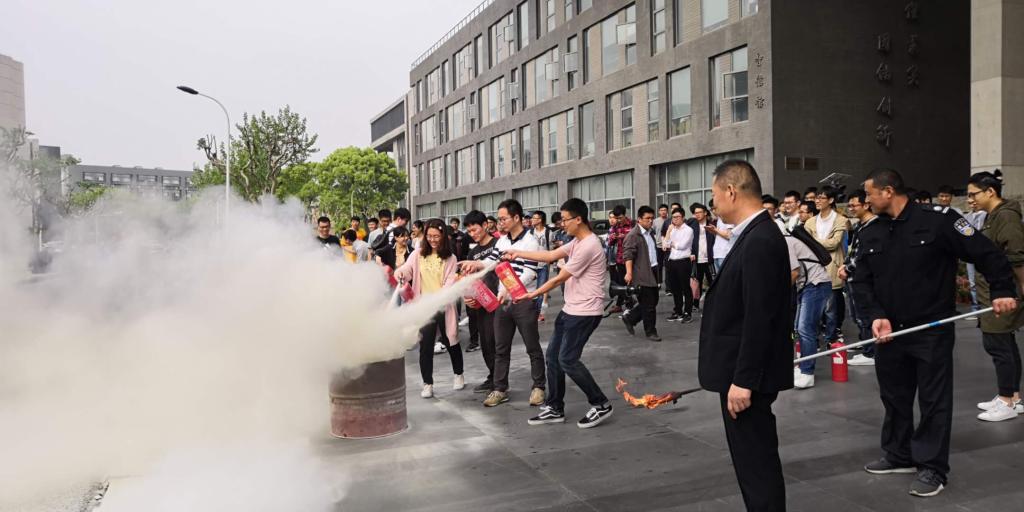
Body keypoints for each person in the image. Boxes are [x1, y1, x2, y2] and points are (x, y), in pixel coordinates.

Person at [852, 168, 1017, 497]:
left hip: (931, 329)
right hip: (889, 332)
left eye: (869, 193)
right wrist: (875, 316)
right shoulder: (871, 231)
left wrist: (1001, 289)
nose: (865, 200)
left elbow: (986, 253)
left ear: (888, 191)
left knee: (933, 400)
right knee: (894, 397)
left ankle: (932, 467)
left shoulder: (939, 220)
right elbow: (861, 280)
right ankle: (899, 454)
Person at [698, 160, 792, 511]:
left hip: (746, 378)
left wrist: (744, 380)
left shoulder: (761, 239)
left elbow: (759, 318)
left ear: (731, 191)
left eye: (714, 195)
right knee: (750, 460)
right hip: (740, 372)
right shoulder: (752, 235)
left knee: (757, 463)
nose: (714, 203)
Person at [503, 198, 614, 429]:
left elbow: (559, 278)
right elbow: (550, 256)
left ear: (578, 219)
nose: (562, 224)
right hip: (571, 309)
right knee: (553, 357)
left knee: (567, 359)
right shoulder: (576, 242)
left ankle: (601, 403)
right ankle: (555, 407)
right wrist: (517, 253)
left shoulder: (590, 245)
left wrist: (533, 294)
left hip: (585, 312)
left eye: (565, 219)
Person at [460, 199, 546, 408]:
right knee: (501, 348)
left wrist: (510, 288)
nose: (500, 223)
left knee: (532, 346)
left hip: (523, 301)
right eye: (499, 219)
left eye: (503, 219)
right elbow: (492, 261)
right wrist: (476, 264)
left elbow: (530, 272)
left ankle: (539, 387)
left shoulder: (530, 242)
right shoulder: (503, 241)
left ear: (516, 218)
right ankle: (500, 388)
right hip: (503, 301)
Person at [966, 171, 1024, 422]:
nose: (970, 200)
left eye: (973, 194)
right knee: (1004, 345)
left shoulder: (1006, 216)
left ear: (990, 192)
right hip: (992, 291)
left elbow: (1016, 254)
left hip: (1002, 293)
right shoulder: (993, 215)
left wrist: (1021, 286)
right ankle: (1012, 396)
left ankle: (1006, 401)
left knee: (998, 344)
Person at [393, 219, 465, 399]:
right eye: (429, 236)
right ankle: (428, 384)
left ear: (443, 237)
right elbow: (408, 269)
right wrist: (400, 273)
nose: (433, 240)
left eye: (436, 236)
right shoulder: (417, 254)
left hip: (443, 306)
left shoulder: (450, 258)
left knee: (451, 341)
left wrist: (438, 299)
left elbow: (450, 282)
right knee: (425, 346)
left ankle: (458, 374)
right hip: (424, 307)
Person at [787, 224, 833, 389]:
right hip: (808, 286)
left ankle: (807, 373)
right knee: (799, 329)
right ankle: (802, 366)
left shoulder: (786, 242)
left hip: (816, 285)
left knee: (805, 329)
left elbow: (794, 272)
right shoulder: (787, 241)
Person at [806, 186, 851, 344]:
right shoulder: (811, 221)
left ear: (831, 200)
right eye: (816, 198)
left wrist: (813, 241)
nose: (817, 201)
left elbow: (834, 243)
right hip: (814, 267)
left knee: (831, 307)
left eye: (821, 198)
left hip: (832, 266)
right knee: (814, 305)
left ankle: (831, 337)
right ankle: (815, 338)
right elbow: (806, 243)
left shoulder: (840, 220)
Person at [839, 190, 879, 366]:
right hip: (853, 278)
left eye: (854, 205)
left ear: (866, 205)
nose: (851, 209)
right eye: (849, 205)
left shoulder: (874, 226)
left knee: (866, 315)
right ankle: (866, 346)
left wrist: (848, 268)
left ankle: (871, 353)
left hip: (865, 279)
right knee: (858, 316)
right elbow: (853, 251)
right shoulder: (859, 226)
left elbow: (863, 255)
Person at [463, 210, 499, 391]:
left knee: (496, 341)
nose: (472, 234)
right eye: (469, 231)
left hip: (500, 300)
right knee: (485, 342)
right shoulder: (473, 253)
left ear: (485, 225)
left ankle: (499, 381)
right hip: (482, 304)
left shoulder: (498, 244)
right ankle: (492, 376)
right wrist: (468, 297)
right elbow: (469, 280)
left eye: (475, 229)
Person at [622, 206, 662, 342]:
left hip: (653, 270)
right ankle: (651, 331)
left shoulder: (650, 233)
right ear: (639, 219)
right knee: (649, 304)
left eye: (652, 218)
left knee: (653, 300)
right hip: (642, 273)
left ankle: (630, 317)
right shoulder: (633, 235)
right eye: (647, 218)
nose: (650, 221)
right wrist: (629, 273)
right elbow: (628, 255)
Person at [663, 207, 695, 323]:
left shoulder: (688, 230)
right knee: (675, 288)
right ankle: (678, 311)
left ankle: (688, 312)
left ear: (683, 217)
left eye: (677, 217)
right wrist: (668, 231)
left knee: (685, 288)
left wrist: (671, 243)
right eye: (673, 217)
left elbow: (682, 246)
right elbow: (665, 245)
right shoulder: (672, 230)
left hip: (683, 261)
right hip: (672, 260)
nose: (675, 219)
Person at [686, 203, 715, 304]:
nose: (697, 214)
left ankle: (713, 303)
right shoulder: (691, 224)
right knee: (696, 281)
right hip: (697, 258)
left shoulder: (712, 225)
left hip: (710, 258)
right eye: (695, 213)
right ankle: (695, 304)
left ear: (705, 213)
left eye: (699, 212)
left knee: (713, 281)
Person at [607, 205, 633, 311]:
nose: (618, 220)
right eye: (616, 218)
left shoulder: (632, 224)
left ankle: (629, 305)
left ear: (625, 215)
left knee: (630, 282)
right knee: (622, 283)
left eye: (620, 218)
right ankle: (625, 305)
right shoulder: (615, 227)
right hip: (620, 258)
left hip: (631, 258)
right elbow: (610, 243)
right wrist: (613, 237)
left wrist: (625, 236)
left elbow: (636, 239)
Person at [530, 211, 552, 321]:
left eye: (535, 218)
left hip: (543, 265)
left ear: (540, 220)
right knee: (531, 289)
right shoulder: (530, 232)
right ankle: (532, 310)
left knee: (541, 289)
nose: (532, 220)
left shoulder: (548, 232)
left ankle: (538, 313)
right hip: (532, 264)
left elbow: (550, 249)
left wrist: (548, 263)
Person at [708, 206, 734, 274]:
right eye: (711, 209)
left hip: (724, 254)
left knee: (725, 278)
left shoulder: (728, 217)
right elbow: (720, 235)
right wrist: (713, 231)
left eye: (714, 209)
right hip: (717, 253)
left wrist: (716, 230)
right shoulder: (719, 219)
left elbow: (729, 236)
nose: (713, 211)